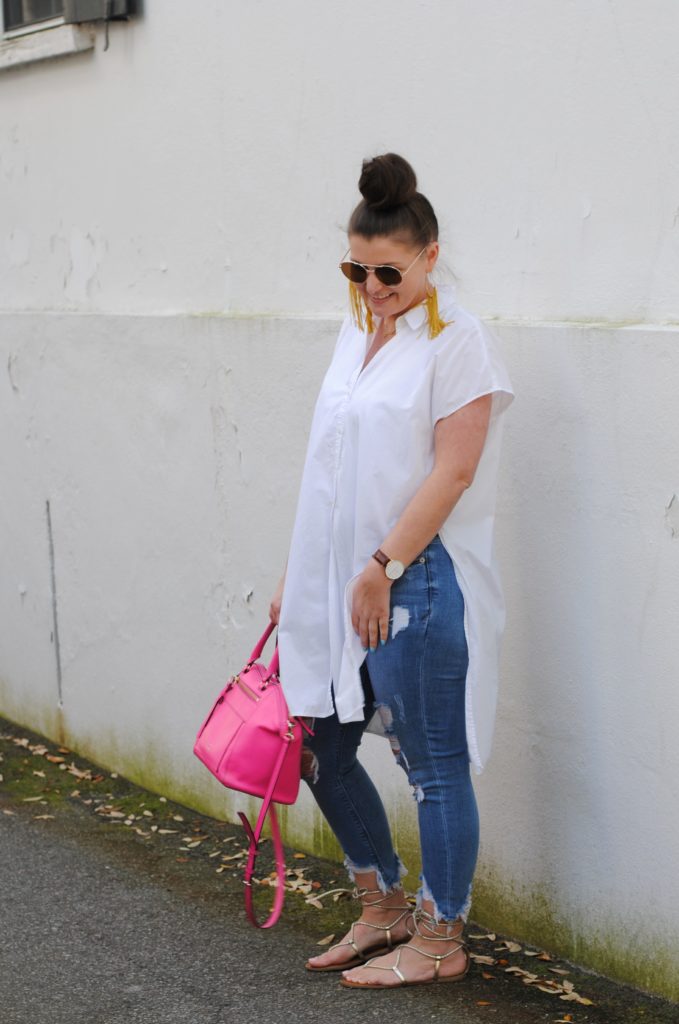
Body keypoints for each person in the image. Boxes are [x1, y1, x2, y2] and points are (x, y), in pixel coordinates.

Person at [269, 153, 514, 989]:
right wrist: (299, 574)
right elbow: (330, 472)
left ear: (431, 256)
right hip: (337, 581)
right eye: (356, 268)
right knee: (319, 747)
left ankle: (441, 939)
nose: (371, 286)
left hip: (412, 580)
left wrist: (382, 563)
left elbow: (452, 470)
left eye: (388, 272)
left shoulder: (458, 339)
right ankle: (381, 906)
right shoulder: (355, 331)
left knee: (432, 765)